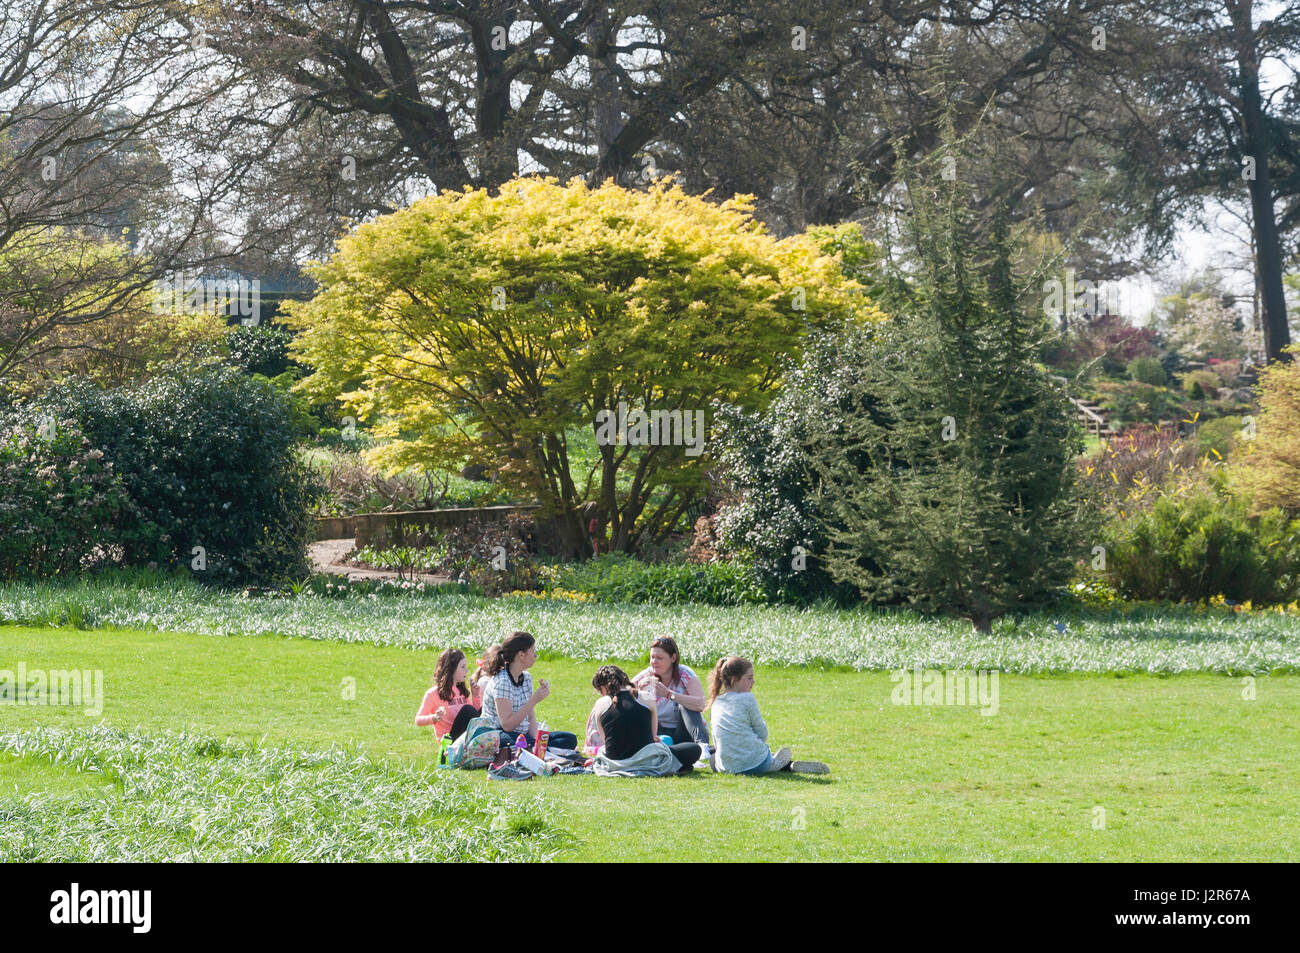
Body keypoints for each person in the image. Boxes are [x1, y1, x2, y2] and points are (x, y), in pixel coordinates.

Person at [706, 656, 828, 775]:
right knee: (760, 754)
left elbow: (717, 739)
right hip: (756, 763)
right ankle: (777, 762)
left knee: (713, 759)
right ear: (734, 679)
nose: (753, 681)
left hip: (727, 767)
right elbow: (762, 733)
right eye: (749, 678)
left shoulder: (717, 701)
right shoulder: (747, 698)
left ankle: (776, 762)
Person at [589, 665, 700, 775]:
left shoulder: (600, 704)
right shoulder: (646, 697)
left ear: (603, 687)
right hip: (648, 760)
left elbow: (605, 740)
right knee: (694, 749)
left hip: (615, 762)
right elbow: (653, 736)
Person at [478, 630, 578, 750]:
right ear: (521, 655)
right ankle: (543, 750)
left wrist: (538, 741)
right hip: (497, 735)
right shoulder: (502, 682)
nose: (536, 656)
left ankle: (540, 749)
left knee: (569, 739)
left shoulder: (526, 678)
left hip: (521, 735)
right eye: (533, 651)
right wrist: (533, 700)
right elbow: (507, 725)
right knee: (522, 742)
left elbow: (530, 718)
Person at [632, 636, 709, 746]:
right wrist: (637, 691)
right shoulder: (646, 677)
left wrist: (669, 694)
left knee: (686, 705)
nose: (654, 662)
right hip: (658, 732)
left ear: (673, 658)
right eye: (652, 657)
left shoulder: (685, 674)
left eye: (659, 658)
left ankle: (702, 746)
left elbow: (701, 704)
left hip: (684, 731)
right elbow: (623, 695)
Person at [414, 648, 483, 742]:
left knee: (484, 708)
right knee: (467, 710)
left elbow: (473, 717)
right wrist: (435, 717)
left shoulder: (461, 690)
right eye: (462, 667)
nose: (466, 671)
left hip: (465, 739)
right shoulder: (433, 694)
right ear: (452, 669)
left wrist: (475, 696)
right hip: (449, 744)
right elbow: (418, 720)